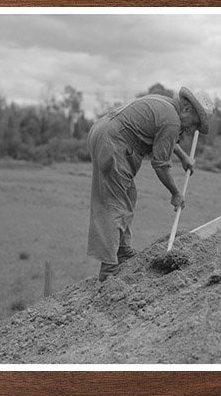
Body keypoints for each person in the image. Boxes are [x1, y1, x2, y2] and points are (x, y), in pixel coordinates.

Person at [87, 87, 210, 281]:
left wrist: (183, 156)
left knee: (127, 195)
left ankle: (122, 251)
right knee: (116, 203)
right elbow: (160, 165)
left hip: (105, 132)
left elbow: (163, 139)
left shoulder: (167, 106)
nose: (192, 130)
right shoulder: (172, 119)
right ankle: (108, 269)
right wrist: (176, 193)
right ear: (187, 109)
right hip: (114, 141)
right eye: (195, 124)